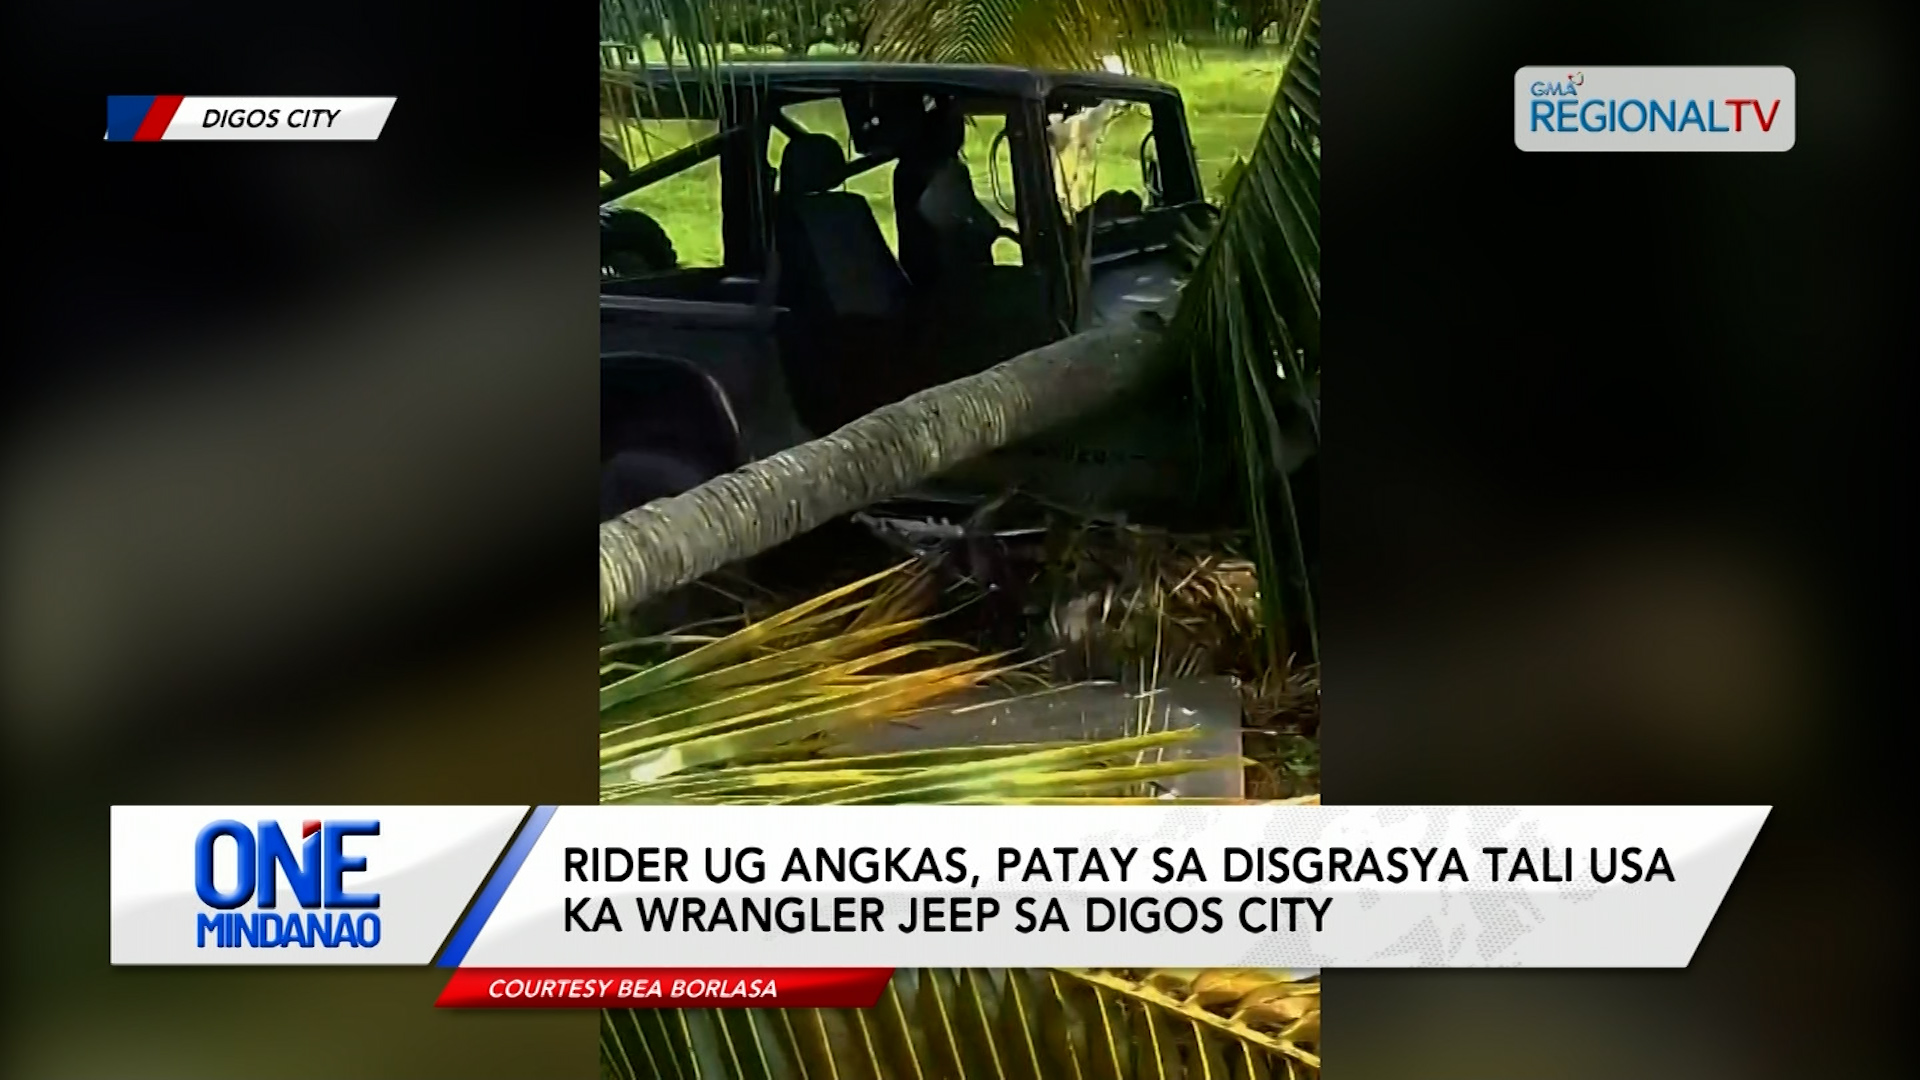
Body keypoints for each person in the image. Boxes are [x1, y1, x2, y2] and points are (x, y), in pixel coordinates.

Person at [892, 102, 1001, 289]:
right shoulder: (942, 170)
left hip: (930, 279)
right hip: (950, 284)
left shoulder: (910, 170)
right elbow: (954, 220)